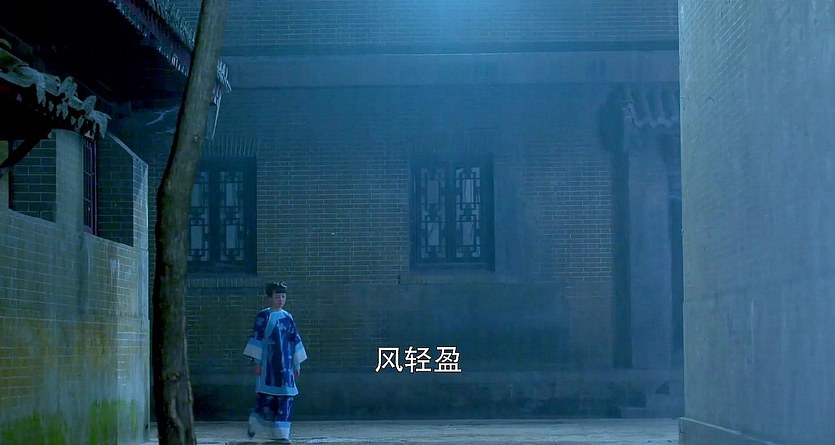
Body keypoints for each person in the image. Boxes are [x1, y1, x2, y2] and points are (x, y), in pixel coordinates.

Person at [243, 281, 307, 443]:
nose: (281, 300)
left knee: (286, 397)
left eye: (283, 296)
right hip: (269, 365)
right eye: (277, 297)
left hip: (287, 366)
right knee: (266, 398)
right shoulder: (263, 316)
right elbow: (257, 339)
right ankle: (255, 425)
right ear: (269, 298)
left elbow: (295, 340)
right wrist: (257, 362)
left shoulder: (288, 317)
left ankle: (282, 435)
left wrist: (297, 364)